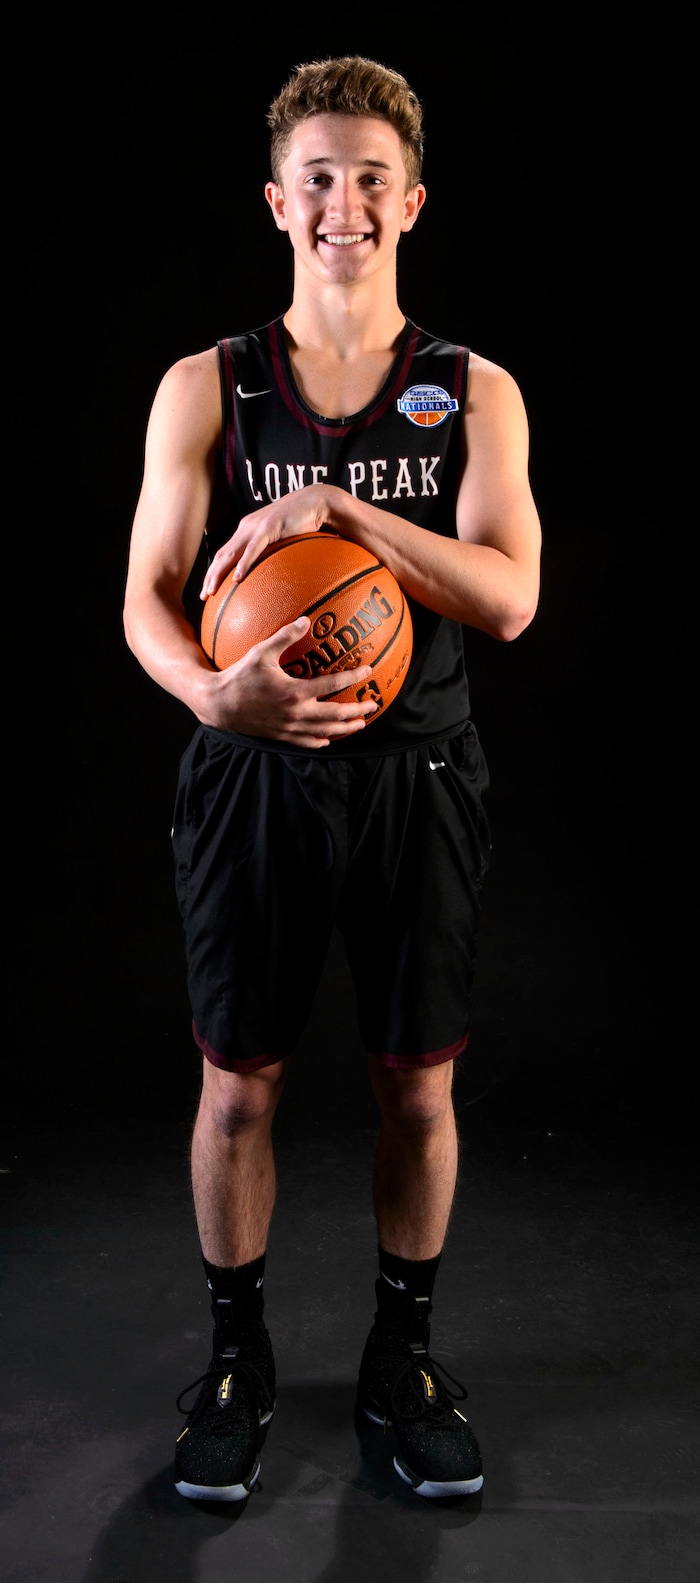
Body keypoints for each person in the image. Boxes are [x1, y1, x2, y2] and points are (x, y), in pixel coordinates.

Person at [123, 54, 541, 1505]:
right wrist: (210, 689)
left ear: (410, 201)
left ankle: (401, 1361)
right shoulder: (209, 387)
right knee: (237, 1088)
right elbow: (145, 598)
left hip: (419, 777)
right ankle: (234, 1363)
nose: (345, 203)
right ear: (276, 201)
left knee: (415, 1091)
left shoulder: (471, 391)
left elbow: (510, 596)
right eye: (319, 177)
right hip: (250, 779)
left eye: (373, 178)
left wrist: (341, 504)